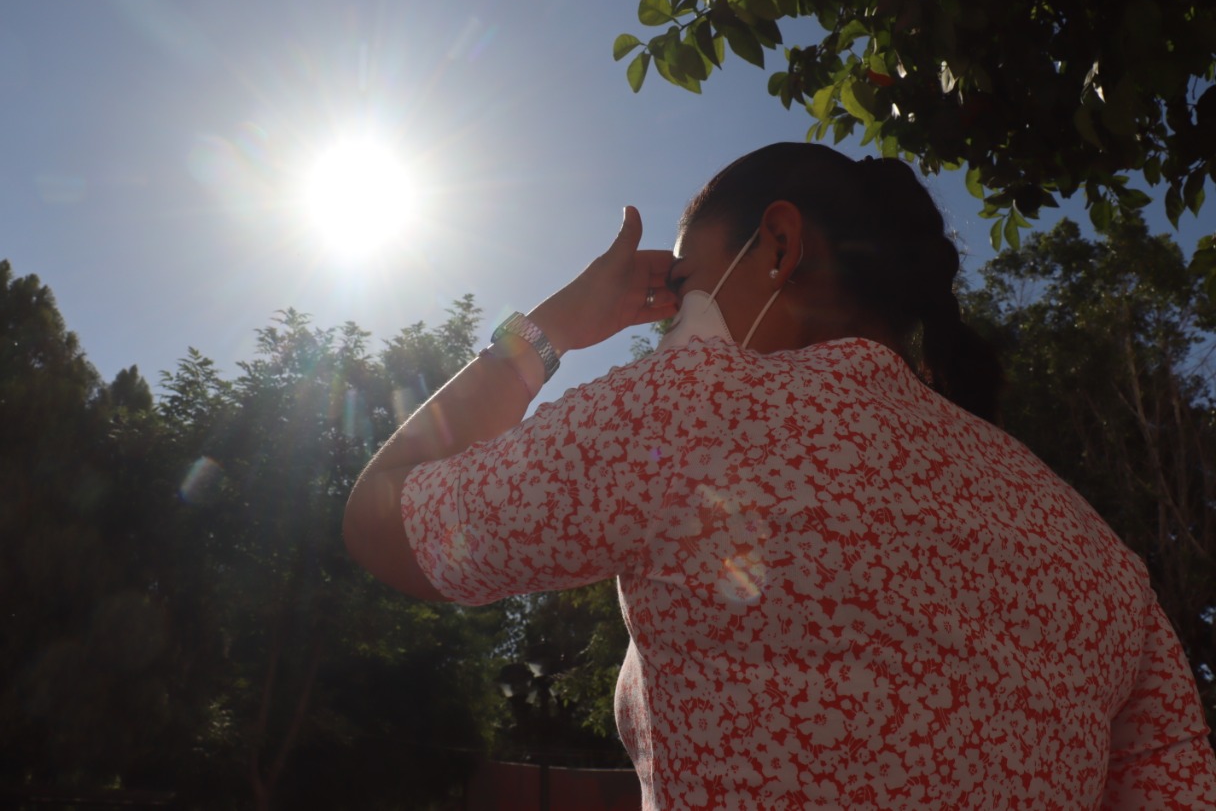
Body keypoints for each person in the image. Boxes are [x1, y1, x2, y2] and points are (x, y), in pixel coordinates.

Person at [343, 143, 1216, 808]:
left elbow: (384, 521)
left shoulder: (691, 413)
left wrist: (553, 325)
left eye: (683, 286)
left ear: (779, 245)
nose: (670, 324)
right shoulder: (1097, 552)